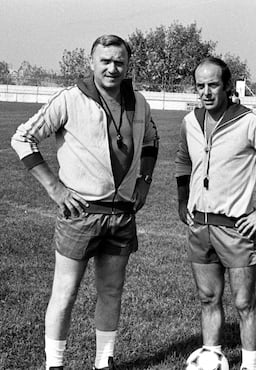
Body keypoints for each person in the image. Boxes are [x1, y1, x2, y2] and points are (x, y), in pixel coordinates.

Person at [11, 34, 159, 370]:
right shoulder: (69, 99)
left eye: (119, 61)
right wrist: (56, 188)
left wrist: (145, 182)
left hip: (121, 215)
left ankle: (103, 362)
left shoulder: (140, 101)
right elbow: (22, 138)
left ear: (128, 64)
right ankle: (55, 364)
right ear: (91, 63)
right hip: (80, 214)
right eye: (105, 61)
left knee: (111, 291)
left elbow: (152, 141)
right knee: (65, 294)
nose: (112, 67)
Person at [175, 56, 256, 370]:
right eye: (200, 86)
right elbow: (183, 162)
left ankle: (249, 365)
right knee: (208, 299)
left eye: (213, 85)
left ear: (227, 86)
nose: (206, 92)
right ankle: (211, 358)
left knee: (244, 302)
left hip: (236, 229)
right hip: (200, 227)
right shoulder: (190, 122)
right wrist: (183, 203)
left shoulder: (248, 121)